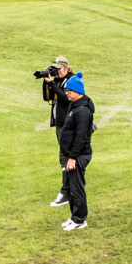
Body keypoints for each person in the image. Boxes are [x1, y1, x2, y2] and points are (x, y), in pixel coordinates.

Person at [55, 72, 94, 231]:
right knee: (71, 188)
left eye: (69, 91)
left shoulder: (83, 111)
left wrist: (72, 157)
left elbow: (81, 137)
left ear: (78, 91)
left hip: (78, 156)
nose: (67, 93)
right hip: (72, 155)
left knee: (77, 188)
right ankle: (74, 217)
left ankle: (80, 220)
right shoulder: (75, 106)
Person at [43, 55, 76, 207]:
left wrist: (53, 84)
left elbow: (64, 98)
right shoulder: (58, 80)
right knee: (64, 157)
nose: (58, 71)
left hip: (68, 124)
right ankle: (68, 190)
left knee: (66, 156)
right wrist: (47, 82)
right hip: (60, 124)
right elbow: (47, 98)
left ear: (67, 68)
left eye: (59, 68)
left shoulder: (72, 80)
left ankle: (67, 191)